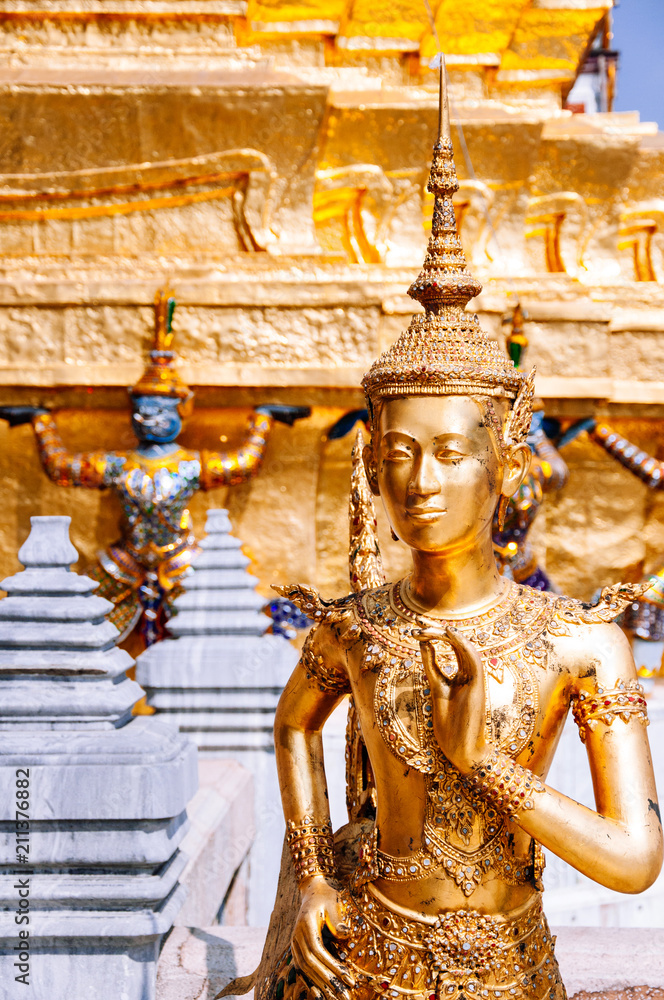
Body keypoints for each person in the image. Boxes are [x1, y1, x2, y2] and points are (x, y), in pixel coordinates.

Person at [254, 61, 662, 1000]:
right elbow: (292, 727)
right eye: (395, 456)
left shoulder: (581, 642)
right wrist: (314, 866)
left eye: (448, 453)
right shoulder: (357, 624)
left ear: (508, 465)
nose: (418, 483)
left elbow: (635, 860)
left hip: (511, 968)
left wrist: (488, 769)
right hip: (365, 959)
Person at [0, 288, 308, 649]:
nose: (147, 418)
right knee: (75, 621)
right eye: (141, 411)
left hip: (182, 561)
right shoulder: (117, 464)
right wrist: (41, 423)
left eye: (159, 411)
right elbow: (61, 468)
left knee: (230, 627)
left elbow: (243, 464)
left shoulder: (191, 464)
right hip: (125, 561)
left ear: (181, 413)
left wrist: (263, 420)